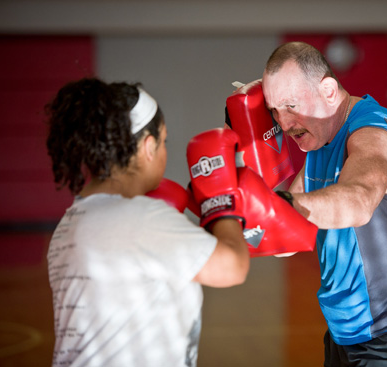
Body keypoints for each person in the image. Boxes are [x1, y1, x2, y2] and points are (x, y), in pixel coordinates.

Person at [260, 42, 387, 366]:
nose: (283, 123)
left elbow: (358, 201)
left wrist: (279, 205)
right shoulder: (319, 145)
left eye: (291, 106)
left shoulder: (372, 133)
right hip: (348, 329)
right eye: (275, 111)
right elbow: (283, 237)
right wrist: (231, 206)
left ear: (328, 90)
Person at [45, 77, 249, 367]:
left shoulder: (68, 223)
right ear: (149, 146)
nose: (165, 150)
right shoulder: (140, 219)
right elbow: (232, 267)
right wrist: (220, 201)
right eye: (164, 141)